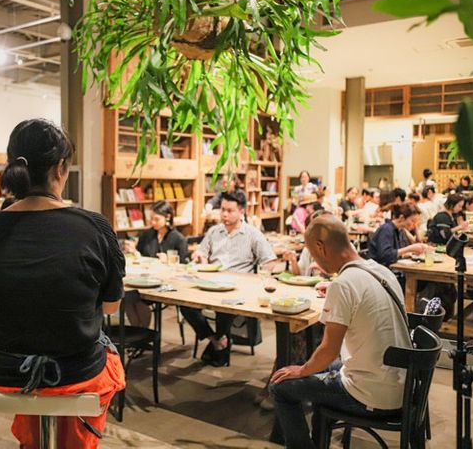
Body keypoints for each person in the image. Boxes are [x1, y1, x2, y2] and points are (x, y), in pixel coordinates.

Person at [0, 119, 125, 449]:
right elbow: (111, 306)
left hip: (3, 370)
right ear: (61, 167)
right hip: (75, 372)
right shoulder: (95, 227)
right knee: (103, 346)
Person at [268, 215, 411, 449]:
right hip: (402, 385)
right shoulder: (381, 271)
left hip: (371, 395)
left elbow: (328, 350)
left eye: (312, 254)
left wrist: (302, 370)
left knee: (280, 386)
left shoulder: (343, 284)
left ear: (320, 247)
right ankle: (318, 439)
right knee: (316, 369)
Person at [182, 191, 276, 367]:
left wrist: (257, 280)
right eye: (222, 209)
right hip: (211, 284)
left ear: (241, 211)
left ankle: (219, 348)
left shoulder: (252, 234)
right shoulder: (214, 231)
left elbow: (269, 261)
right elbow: (201, 252)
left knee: (224, 307)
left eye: (230, 210)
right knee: (184, 303)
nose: (224, 214)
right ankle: (216, 339)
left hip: (237, 289)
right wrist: (200, 258)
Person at [123, 200, 188, 327]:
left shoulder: (179, 239)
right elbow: (141, 255)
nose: (152, 222)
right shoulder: (147, 235)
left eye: (156, 219)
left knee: (138, 298)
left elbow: (183, 266)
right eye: (151, 218)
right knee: (127, 297)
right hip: (144, 279)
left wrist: (168, 260)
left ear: (167, 217)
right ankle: (138, 331)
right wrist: (134, 252)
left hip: (166, 282)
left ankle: (143, 331)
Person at [368, 203, 427, 267]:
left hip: (392, 267)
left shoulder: (400, 230)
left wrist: (411, 252)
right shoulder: (386, 229)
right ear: (402, 218)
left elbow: (396, 252)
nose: (414, 225)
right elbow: (386, 256)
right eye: (413, 221)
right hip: (381, 269)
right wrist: (409, 249)